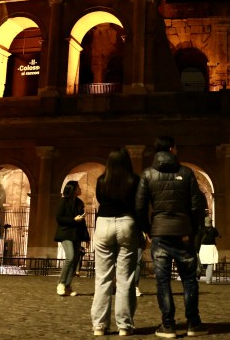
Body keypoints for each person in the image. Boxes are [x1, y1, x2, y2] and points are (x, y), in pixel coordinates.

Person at [136, 135, 208, 338]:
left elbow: (140, 206)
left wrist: (147, 229)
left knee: (163, 281)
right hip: (183, 231)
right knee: (189, 280)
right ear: (171, 149)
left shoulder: (148, 174)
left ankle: (168, 325)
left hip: (159, 232)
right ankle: (193, 323)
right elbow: (196, 205)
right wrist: (194, 229)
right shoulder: (186, 172)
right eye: (176, 148)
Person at [90, 148, 141, 336]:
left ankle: (99, 325)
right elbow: (138, 205)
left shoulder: (101, 181)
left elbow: (100, 200)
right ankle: (124, 325)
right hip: (127, 222)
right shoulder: (134, 180)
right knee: (125, 278)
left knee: (102, 277)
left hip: (104, 223)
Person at [54, 180, 88, 297]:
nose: (80, 189)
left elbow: (83, 222)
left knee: (75, 260)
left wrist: (86, 237)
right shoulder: (63, 201)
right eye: (78, 187)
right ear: (72, 189)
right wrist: (73, 220)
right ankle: (61, 283)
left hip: (76, 234)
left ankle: (68, 286)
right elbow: (59, 218)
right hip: (65, 233)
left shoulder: (80, 203)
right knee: (70, 257)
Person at [196, 217, 220, 284]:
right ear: (211, 222)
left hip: (203, 248)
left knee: (200, 262)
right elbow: (217, 234)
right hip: (211, 248)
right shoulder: (214, 230)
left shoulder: (201, 230)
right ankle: (208, 280)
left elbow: (198, 240)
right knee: (210, 264)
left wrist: (197, 250)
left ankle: (197, 274)